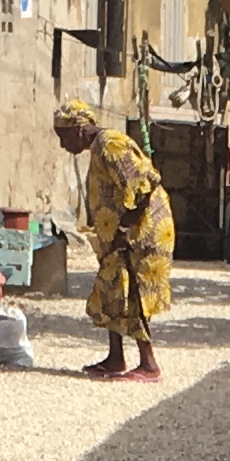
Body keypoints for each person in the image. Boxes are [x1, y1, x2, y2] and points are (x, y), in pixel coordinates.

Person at [54, 97, 172, 381]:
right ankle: (115, 357)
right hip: (120, 234)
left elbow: (147, 184)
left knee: (135, 291)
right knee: (112, 287)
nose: (62, 145)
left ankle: (149, 364)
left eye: (63, 136)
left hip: (142, 232)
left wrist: (125, 227)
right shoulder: (98, 149)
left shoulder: (111, 145)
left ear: (80, 129)